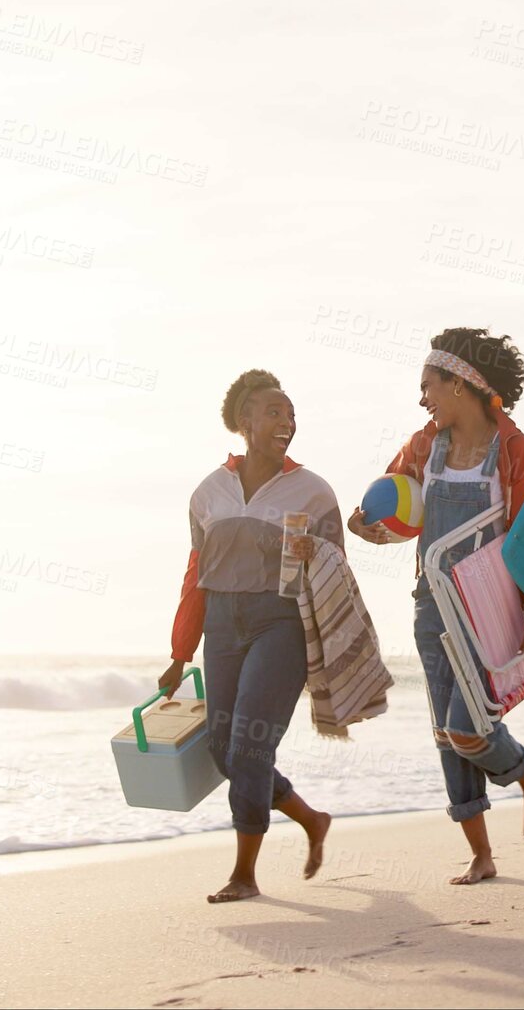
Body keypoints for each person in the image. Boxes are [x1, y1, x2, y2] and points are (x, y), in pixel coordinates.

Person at [347, 328, 524, 885]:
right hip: (431, 605)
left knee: (468, 729)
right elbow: (390, 505)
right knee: (445, 735)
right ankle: (482, 855)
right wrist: (366, 526)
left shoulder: (514, 450)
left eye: (428, 386)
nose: (423, 399)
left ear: (460, 383)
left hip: (491, 610)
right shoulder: (423, 446)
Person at [160, 369, 337, 903]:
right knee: (222, 748)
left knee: (251, 744)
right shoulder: (208, 492)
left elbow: (337, 575)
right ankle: (310, 817)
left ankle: (245, 874)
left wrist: (317, 554)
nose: (287, 421)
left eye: (290, 413)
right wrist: (179, 653)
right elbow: (196, 575)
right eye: (274, 412)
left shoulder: (313, 489)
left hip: (278, 624)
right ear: (245, 421)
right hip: (221, 625)